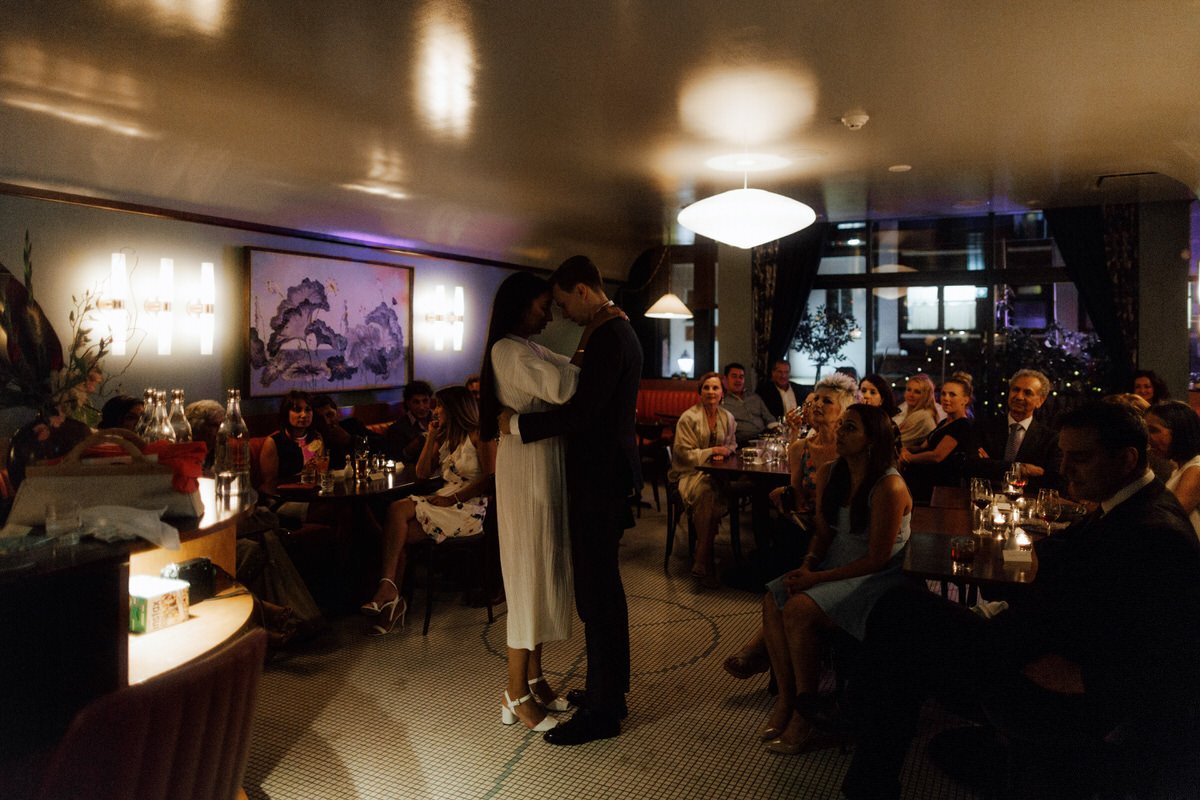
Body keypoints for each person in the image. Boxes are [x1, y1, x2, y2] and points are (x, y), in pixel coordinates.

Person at [842, 401, 1200, 799]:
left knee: (901, 617)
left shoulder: (1154, 531)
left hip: (1057, 687)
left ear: (1127, 458)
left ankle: (862, 752)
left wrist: (1078, 678)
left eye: (1079, 457)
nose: (1064, 468)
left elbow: (1164, 655)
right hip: (1028, 644)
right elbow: (1063, 562)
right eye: (1064, 454)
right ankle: (866, 755)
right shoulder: (1123, 505)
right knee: (903, 618)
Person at [500, 255, 641, 746]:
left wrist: (517, 425)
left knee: (597, 598)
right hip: (604, 477)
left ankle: (604, 711)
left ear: (583, 289)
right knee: (601, 594)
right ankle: (608, 692)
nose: (561, 313)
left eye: (562, 301)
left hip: (599, 480)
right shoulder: (613, 330)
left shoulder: (608, 334)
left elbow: (581, 412)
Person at [759, 404, 911, 754]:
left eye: (850, 428)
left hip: (878, 578)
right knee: (773, 597)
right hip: (832, 564)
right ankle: (786, 699)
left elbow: (877, 557)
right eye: (841, 425)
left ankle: (804, 714)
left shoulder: (889, 485)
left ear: (872, 440)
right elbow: (824, 534)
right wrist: (808, 565)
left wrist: (818, 578)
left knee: (797, 609)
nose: (839, 433)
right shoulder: (830, 472)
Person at [479, 272, 580, 732]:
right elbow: (563, 389)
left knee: (542, 569)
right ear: (520, 306)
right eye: (542, 305)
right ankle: (513, 689)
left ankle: (536, 676)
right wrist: (565, 376)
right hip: (524, 470)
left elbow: (575, 372)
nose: (548, 313)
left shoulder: (532, 348)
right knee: (526, 575)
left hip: (546, 463)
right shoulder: (506, 349)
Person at [725, 373, 856, 680]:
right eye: (817, 399)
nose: (819, 405)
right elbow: (797, 496)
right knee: (781, 558)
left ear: (844, 410)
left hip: (840, 533)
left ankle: (761, 650)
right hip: (805, 529)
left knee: (792, 573)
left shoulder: (849, 450)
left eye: (828, 401)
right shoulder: (799, 448)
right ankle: (781, 668)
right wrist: (785, 497)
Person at [362, 385, 494, 636]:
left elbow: (489, 479)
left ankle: (388, 594)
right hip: (443, 501)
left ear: (454, 408)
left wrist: (452, 498)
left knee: (397, 511)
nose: (435, 410)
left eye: (440, 406)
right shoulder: (444, 437)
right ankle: (391, 596)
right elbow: (422, 474)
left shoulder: (480, 435)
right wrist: (431, 437)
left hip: (469, 507)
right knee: (400, 534)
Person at [669, 371, 738, 589]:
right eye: (706, 387)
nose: (710, 391)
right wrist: (711, 451)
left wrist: (724, 451)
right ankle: (702, 557)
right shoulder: (688, 418)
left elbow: (732, 445)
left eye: (715, 388)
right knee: (708, 494)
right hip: (689, 473)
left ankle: (702, 552)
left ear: (722, 392)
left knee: (711, 491)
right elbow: (682, 453)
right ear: (700, 392)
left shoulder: (728, 418)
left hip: (717, 473)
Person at [972, 369, 1060, 491]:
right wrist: (1021, 469)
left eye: (1027, 393)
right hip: (986, 497)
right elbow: (974, 466)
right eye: (1015, 390)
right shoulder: (984, 428)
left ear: (1040, 401)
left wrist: (993, 465)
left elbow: (1050, 480)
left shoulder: (1050, 439)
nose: (1019, 396)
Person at [899, 372, 975, 502]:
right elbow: (923, 446)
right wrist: (906, 450)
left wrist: (909, 458)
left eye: (952, 395)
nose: (946, 398)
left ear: (965, 400)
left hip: (938, 489)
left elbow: (937, 455)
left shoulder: (962, 425)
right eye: (944, 393)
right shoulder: (944, 422)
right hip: (923, 483)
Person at [1146, 399, 1200, 539]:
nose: (1147, 437)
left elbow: (1169, 518)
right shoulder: (1179, 468)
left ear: (1179, 432)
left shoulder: (1195, 469)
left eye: (1153, 430)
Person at [258, 391, 326, 495]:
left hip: (312, 494)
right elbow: (269, 484)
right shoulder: (273, 442)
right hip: (284, 498)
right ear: (286, 413)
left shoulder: (316, 438)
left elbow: (321, 473)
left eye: (308, 410)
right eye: (297, 410)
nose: (304, 415)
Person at [721, 362, 774, 446]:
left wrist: (778, 430)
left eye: (741, 377)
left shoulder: (754, 397)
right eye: (734, 376)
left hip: (764, 439)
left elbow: (769, 418)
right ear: (725, 379)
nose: (738, 380)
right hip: (742, 443)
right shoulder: (722, 402)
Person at [383, 380, 434, 462]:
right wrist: (414, 445)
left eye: (425, 401)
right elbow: (395, 460)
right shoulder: (397, 429)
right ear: (408, 403)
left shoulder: (440, 420)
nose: (422, 407)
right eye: (416, 402)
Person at [891, 374, 939, 448]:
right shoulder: (908, 412)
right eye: (909, 390)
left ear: (925, 396)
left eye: (917, 392)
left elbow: (897, 442)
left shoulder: (923, 416)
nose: (911, 394)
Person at [185, 399, 224, 469]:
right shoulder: (184, 455)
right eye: (214, 425)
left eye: (222, 425)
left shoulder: (221, 451)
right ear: (197, 426)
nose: (221, 430)